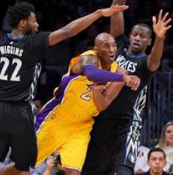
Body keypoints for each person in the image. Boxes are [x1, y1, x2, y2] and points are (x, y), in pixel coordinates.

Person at [0, 0, 128, 175]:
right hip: (30, 111)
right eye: (34, 20)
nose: (38, 24)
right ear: (24, 23)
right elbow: (69, 31)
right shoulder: (35, 43)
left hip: (1, 107)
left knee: (0, 168)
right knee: (22, 166)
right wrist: (97, 14)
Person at [82, 0, 172, 175]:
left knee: (123, 171)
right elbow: (116, 9)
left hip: (127, 123)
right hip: (100, 117)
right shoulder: (118, 46)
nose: (137, 38)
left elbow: (155, 61)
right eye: (134, 34)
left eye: (143, 36)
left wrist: (160, 39)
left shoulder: (145, 63)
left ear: (148, 41)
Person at [34, 33, 140, 175]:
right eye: (106, 46)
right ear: (96, 49)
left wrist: (97, 91)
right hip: (57, 117)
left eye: (114, 45)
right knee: (22, 164)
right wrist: (124, 78)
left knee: (74, 171)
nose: (112, 49)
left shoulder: (120, 71)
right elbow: (92, 74)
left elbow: (103, 105)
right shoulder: (88, 58)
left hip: (81, 125)